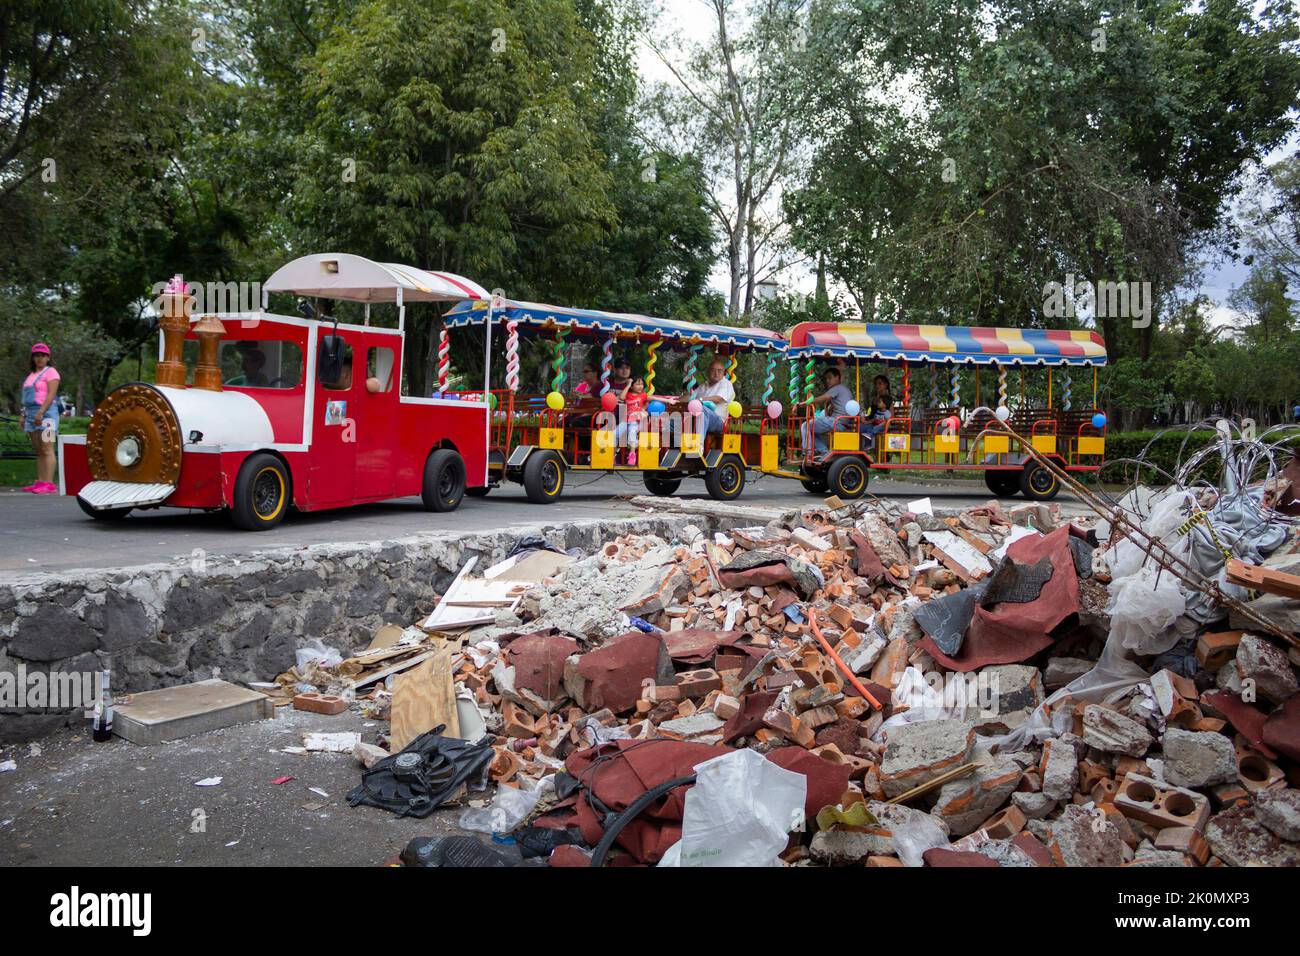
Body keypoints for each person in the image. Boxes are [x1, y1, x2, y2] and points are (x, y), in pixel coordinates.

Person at [20, 343, 60, 494]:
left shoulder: (51, 372)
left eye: (43, 356)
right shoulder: (30, 376)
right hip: (31, 414)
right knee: (39, 450)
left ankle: (49, 484)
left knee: (47, 448)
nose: (40, 358)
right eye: (37, 355)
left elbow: (51, 394)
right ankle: (41, 481)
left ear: (48, 357)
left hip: (47, 415)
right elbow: (25, 398)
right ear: (33, 357)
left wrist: (41, 412)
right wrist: (23, 415)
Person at [801, 367, 853, 456]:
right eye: (826, 379)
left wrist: (806, 402)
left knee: (806, 426)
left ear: (837, 377)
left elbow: (823, 398)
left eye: (830, 378)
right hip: (842, 422)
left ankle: (807, 453)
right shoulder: (844, 389)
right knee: (812, 428)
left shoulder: (837, 388)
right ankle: (824, 451)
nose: (827, 381)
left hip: (837, 422)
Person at [614, 375, 648, 466]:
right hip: (626, 421)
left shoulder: (643, 395)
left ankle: (632, 455)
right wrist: (628, 384)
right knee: (615, 434)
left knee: (632, 432)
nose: (640, 386)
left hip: (636, 422)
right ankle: (612, 455)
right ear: (632, 386)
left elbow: (650, 401)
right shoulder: (628, 395)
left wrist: (643, 410)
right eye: (638, 384)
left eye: (642, 384)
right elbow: (621, 397)